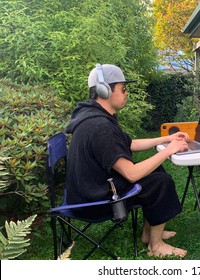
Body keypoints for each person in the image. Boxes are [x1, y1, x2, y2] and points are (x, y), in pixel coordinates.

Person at [65, 64, 189, 258]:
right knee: (160, 182)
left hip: (91, 187)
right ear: (104, 91)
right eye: (123, 89)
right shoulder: (99, 127)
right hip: (94, 199)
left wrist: (166, 139)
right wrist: (169, 151)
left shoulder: (97, 117)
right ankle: (155, 247)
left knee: (156, 172)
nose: (126, 93)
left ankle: (149, 234)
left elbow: (129, 144)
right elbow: (131, 174)